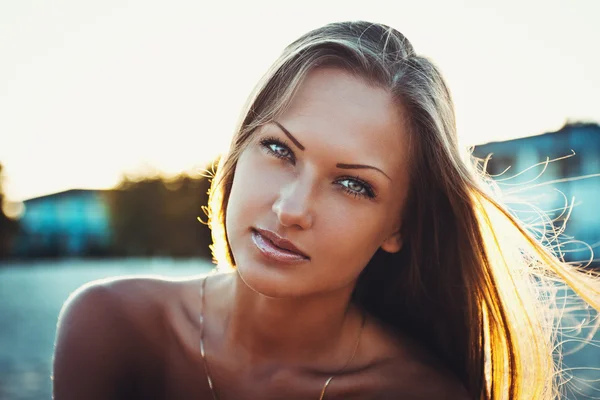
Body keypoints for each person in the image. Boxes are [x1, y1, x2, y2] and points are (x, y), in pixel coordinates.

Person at [52, 21, 600, 399]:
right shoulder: (112, 327)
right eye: (279, 150)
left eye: (353, 185)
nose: (291, 209)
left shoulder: (415, 394)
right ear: (237, 151)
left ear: (399, 227)